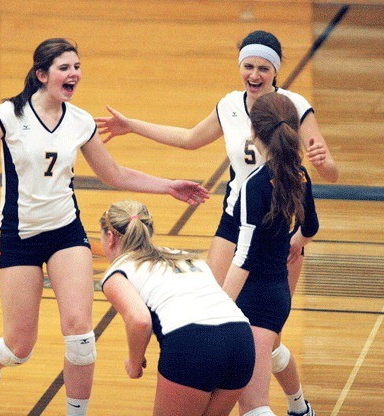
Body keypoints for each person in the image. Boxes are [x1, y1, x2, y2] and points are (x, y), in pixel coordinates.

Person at [0, 38, 209, 416]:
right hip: (18, 237)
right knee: (19, 347)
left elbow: (113, 173)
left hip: (65, 234)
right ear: (42, 75)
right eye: (64, 68)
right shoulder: (8, 115)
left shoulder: (80, 121)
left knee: (81, 336)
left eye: (77, 67)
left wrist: (168, 186)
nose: (74, 75)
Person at [95, 30, 336, 416]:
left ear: (275, 71)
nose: (254, 75)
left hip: (277, 231)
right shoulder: (229, 105)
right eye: (248, 66)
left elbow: (328, 173)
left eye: (263, 68)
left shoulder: (293, 106)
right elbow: (191, 138)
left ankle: (296, 403)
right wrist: (132, 126)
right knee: (224, 321)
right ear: (240, 66)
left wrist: (325, 164)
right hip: (235, 222)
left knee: (267, 338)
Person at [100, 200, 255, 416]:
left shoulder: (118, 270)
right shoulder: (186, 256)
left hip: (193, 345)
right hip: (241, 340)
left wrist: (134, 364)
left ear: (110, 237)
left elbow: (140, 321)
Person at [221, 92, 319, 416]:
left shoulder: (255, 184)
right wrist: (292, 243)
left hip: (256, 299)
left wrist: (218, 308)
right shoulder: (298, 173)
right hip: (277, 293)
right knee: (269, 361)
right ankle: (301, 410)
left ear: (253, 131)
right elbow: (311, 228)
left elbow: (245, 254)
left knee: (253, 407)